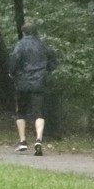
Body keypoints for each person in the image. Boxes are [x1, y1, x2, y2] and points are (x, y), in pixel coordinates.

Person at [8, 21, 57, 155]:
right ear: (36, 32)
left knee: (20, 112)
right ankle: (38, 139)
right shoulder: (43, 45)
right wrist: (46, 71)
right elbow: (53, 62)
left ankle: (23, 141)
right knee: (39, 113)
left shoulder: (20, 45)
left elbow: (14, 60)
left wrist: (12, 73)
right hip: (39, 82)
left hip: (22, 83)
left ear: (23, 32)